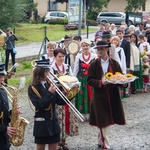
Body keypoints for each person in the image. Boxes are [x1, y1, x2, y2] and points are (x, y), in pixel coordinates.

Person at [87, 40, 126, 149]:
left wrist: (124, 83)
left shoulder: (114, 63)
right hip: (99, 97)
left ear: (107, 49)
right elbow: (89, 80)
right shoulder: (94, 64)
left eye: (102, 49)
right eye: (98, 49)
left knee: (107, 120)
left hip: (113, 96)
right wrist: (100, 82)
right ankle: (105, 145)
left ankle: (100, 141)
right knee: (103, 121)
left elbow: (121, 77)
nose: (99, 51)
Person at [28, 59, 66, 150]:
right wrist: (49, 93)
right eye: (46, 71)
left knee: (54, 147)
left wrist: (70, 94)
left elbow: (59, 101)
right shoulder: (32, 88)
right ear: (39, 72)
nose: (48, 73)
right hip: (41, 122)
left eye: (48, 71)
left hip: (53, 121)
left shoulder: (49, 84)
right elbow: (40, 105)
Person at [51, 48, 79, 148]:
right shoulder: (52, 68)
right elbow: (50, 82)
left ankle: (64, 139)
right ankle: (57, 141)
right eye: (59, 56)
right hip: (58, 96)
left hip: (68, 94)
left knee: (67, 117)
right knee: (59, 117)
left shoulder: (67, 67)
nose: (62, 58)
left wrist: (73, 84)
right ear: (55, 57)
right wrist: (60, 84)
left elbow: (72, 78)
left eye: (63, 56)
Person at [73, 38, 97, 120]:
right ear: (81, 47)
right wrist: (74, 80)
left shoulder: (94, 56)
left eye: (87, 45)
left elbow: (97, 69)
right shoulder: (78, 57)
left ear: (89, 46)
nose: (85, 47)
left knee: (92, 95)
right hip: (81, 79)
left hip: (91, 79)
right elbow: (76, 69)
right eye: (83, 46)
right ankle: (82, 114)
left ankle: (92, 114)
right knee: (82, 96)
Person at [0, 62, 18, 150]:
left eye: (2, 76)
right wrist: (4, 129)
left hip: (4, 139)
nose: (2, 79)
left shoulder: (3, 92)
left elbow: (3, 115)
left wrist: (13, 113)